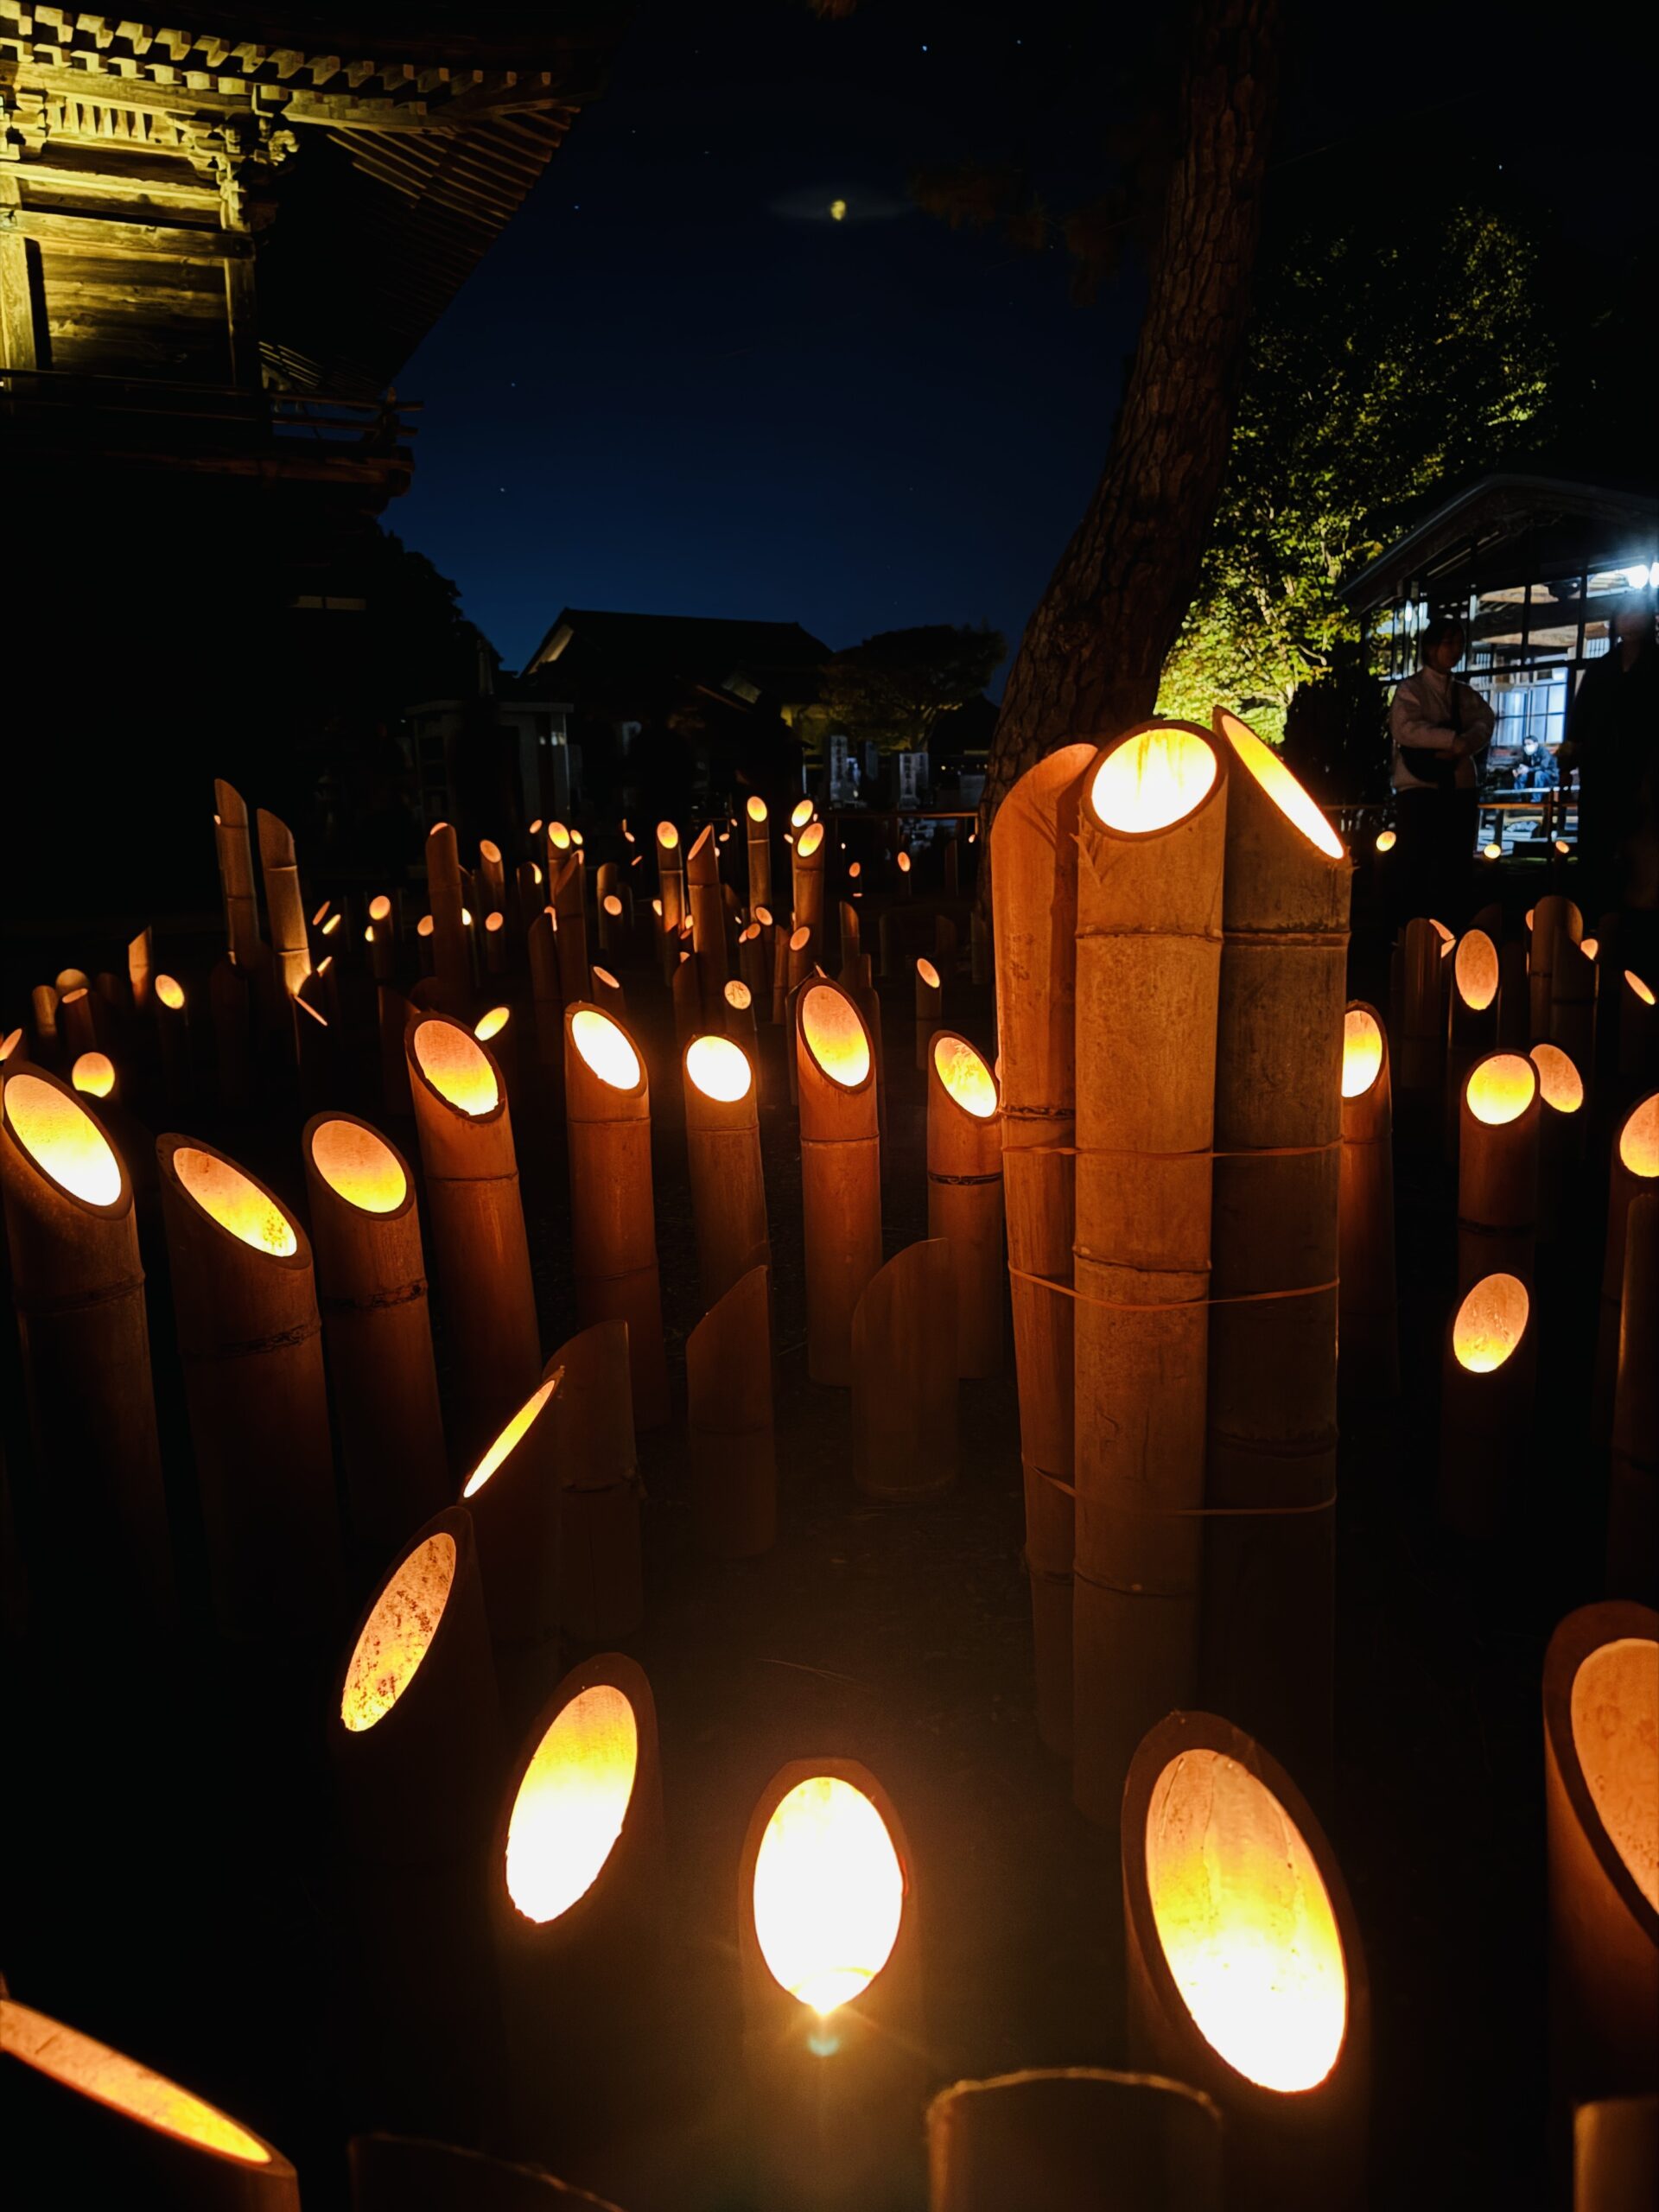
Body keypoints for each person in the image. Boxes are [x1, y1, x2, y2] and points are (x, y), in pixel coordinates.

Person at [1558, 589, 1659, 952]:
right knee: (1596, 853)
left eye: (1638, 612)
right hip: (1600, 773)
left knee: (1642, 853)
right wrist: (1569, 761)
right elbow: (1580, 719)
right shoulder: (1602, 670)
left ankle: (1637, 934)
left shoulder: (1654, 666)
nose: (1631, 619)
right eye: (1625, 612)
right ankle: (1595, 931)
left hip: (1645, 773)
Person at [1388, 615, 1494, 926]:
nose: (1456, 650)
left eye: (1459, 643)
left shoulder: (1462, 693)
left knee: (1454, 864)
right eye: (1449, 643)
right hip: (1420, 788)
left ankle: (1447, 925)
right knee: (1419, 863)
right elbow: (1404, 728)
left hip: (1458, 788)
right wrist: (1454, 740)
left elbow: (1485, 721)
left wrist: (1461, 744)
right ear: (1431, 647)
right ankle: (1416, 929)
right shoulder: (1412, 688)